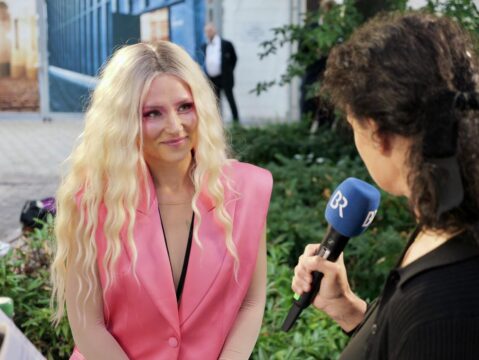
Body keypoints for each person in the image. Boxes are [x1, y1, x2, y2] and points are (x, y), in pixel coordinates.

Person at [51, 41, 272, 360]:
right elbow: (89, 326)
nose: (175, 126)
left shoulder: (248, 190)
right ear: (123, 121)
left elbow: (251, 302)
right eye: (152, 113)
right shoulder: (91, 200)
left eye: (184, 106)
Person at [292, 12, 479, 359]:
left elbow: (428, 329)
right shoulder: (445, 222)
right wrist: (348, 310)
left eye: (352, 127)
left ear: (376, 132)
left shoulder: (443, 306)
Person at [202, 23, 240, 124]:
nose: (208, 33)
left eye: (210, 30)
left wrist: (228, 70)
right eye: (206, 31)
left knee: (229, 98)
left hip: (225, 77)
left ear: (215, 30)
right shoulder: (205, 46)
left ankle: (236, 121)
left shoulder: (226, 44)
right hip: (212, 78)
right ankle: (217, 123)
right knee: (215, 101)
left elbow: (234, 59)